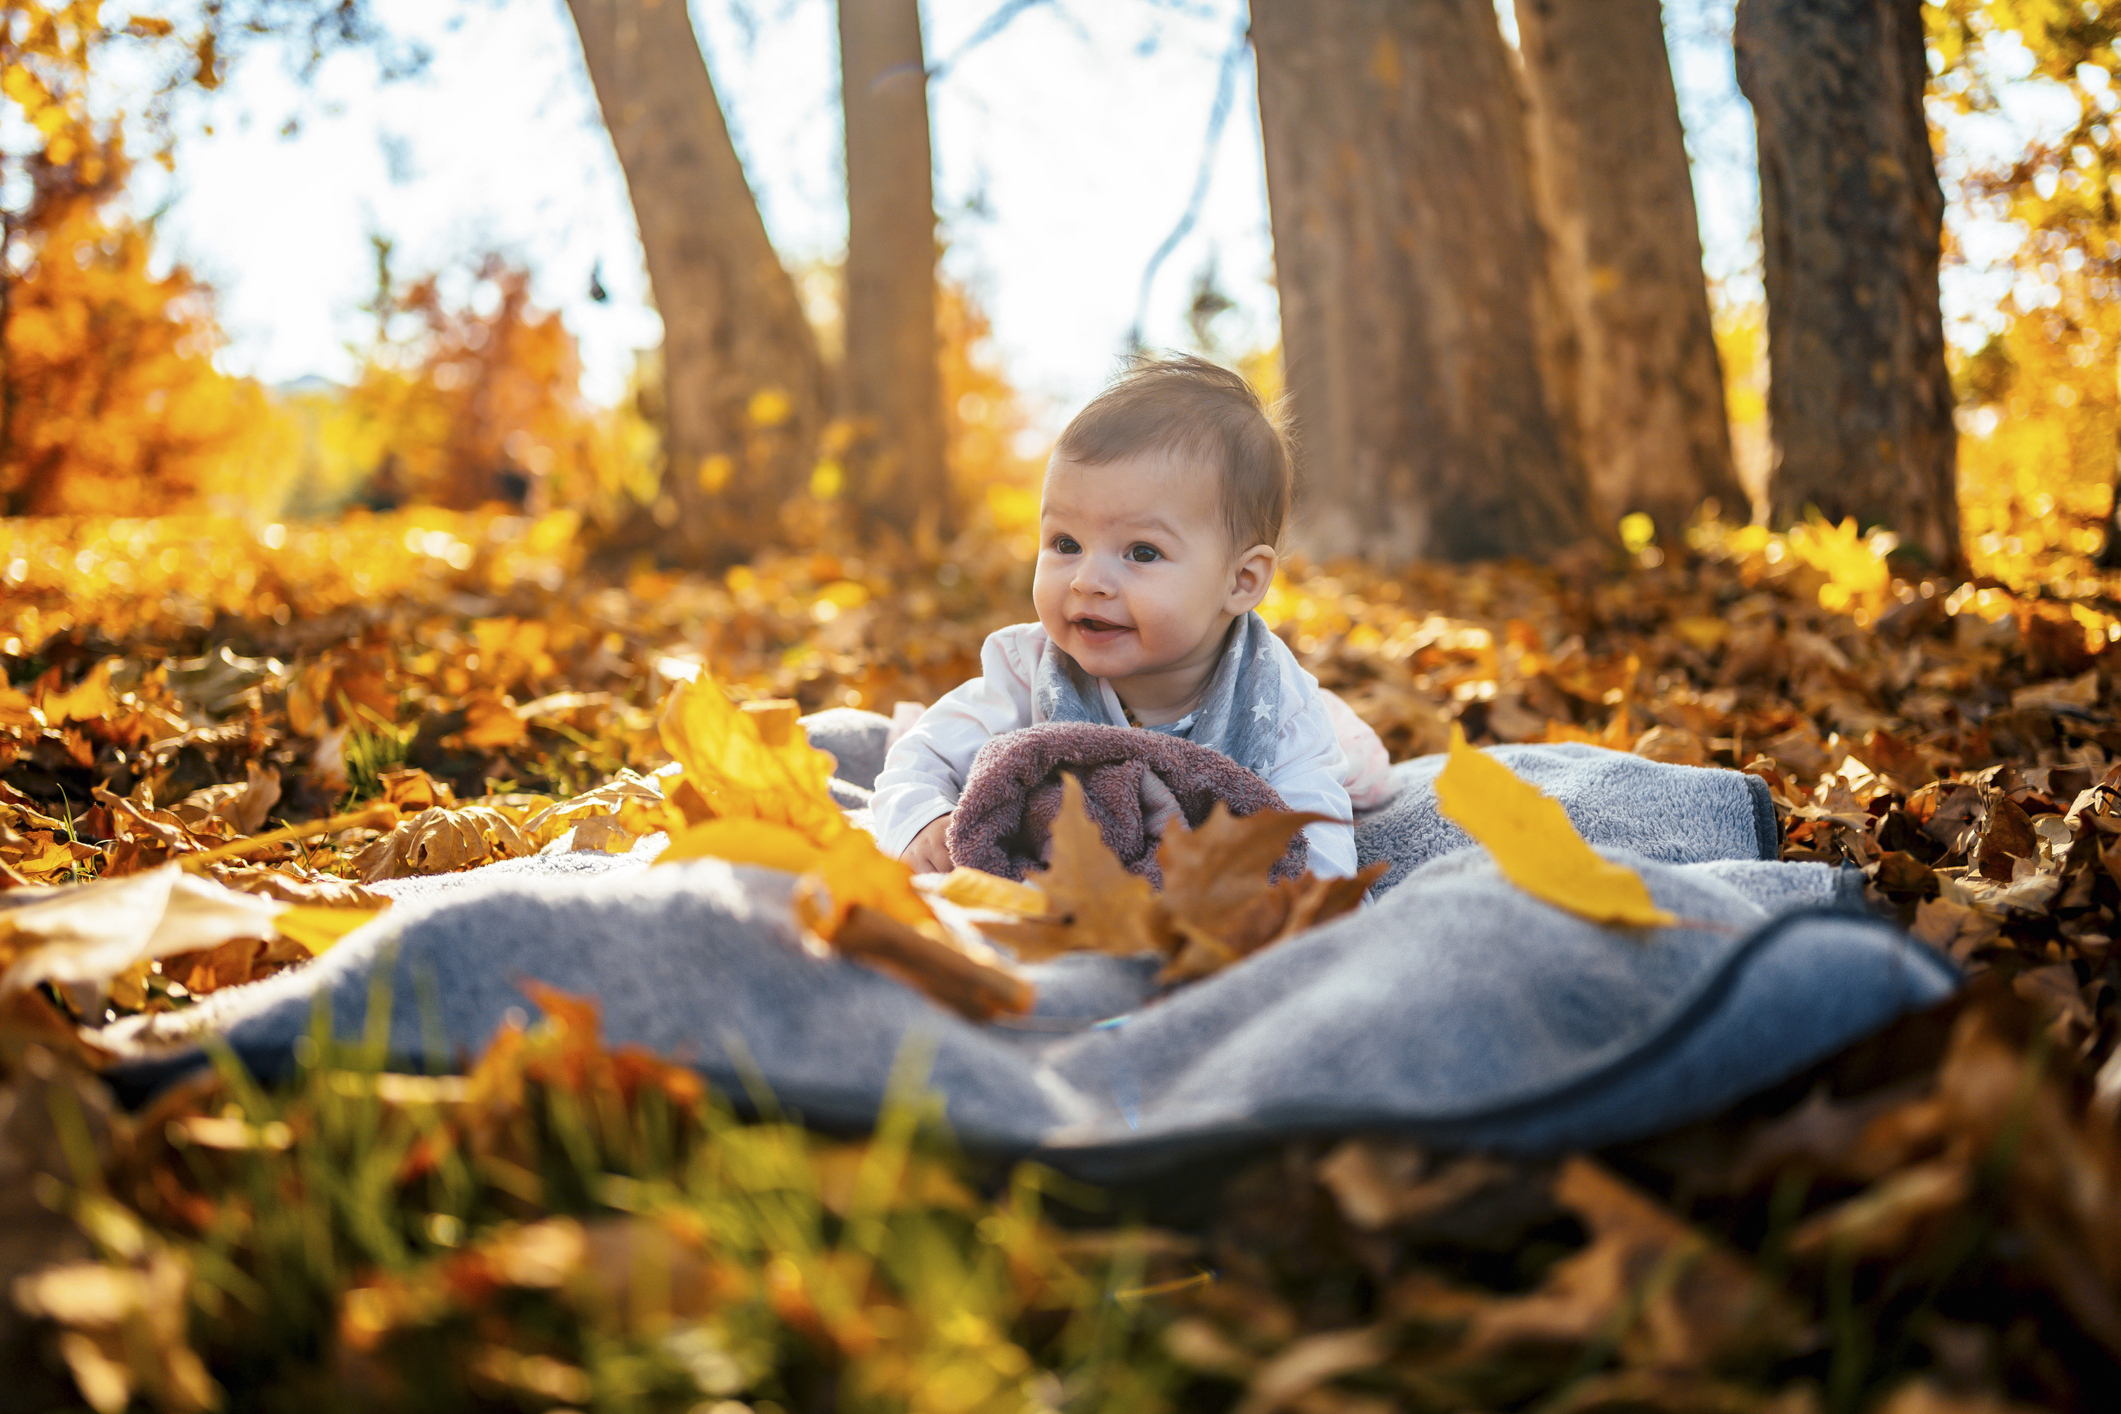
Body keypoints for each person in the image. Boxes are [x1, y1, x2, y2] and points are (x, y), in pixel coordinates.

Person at [872, 354, 1393, 877]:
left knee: (1359, 773)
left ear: (1241, 581)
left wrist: (1308, 902)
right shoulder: (1028, 672)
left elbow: (1314, 833)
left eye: (1141, 552)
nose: (1086, 580)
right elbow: (922, 760)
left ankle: (1344, 729)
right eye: (1066, 543)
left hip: (1291, 750)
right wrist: (921, 819)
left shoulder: (1275, 704)